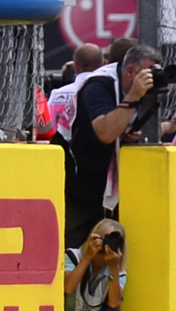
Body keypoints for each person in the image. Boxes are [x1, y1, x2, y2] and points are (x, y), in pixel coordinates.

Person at [64, 46, 155, 253]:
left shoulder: (133, 85)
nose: (149, 79)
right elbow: (105, 133)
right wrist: (133, 96)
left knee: (111, 255)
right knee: (71, 253)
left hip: (109, 187)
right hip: (79, 184)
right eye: (146, 73)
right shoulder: (99, 85)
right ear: (130, 71)